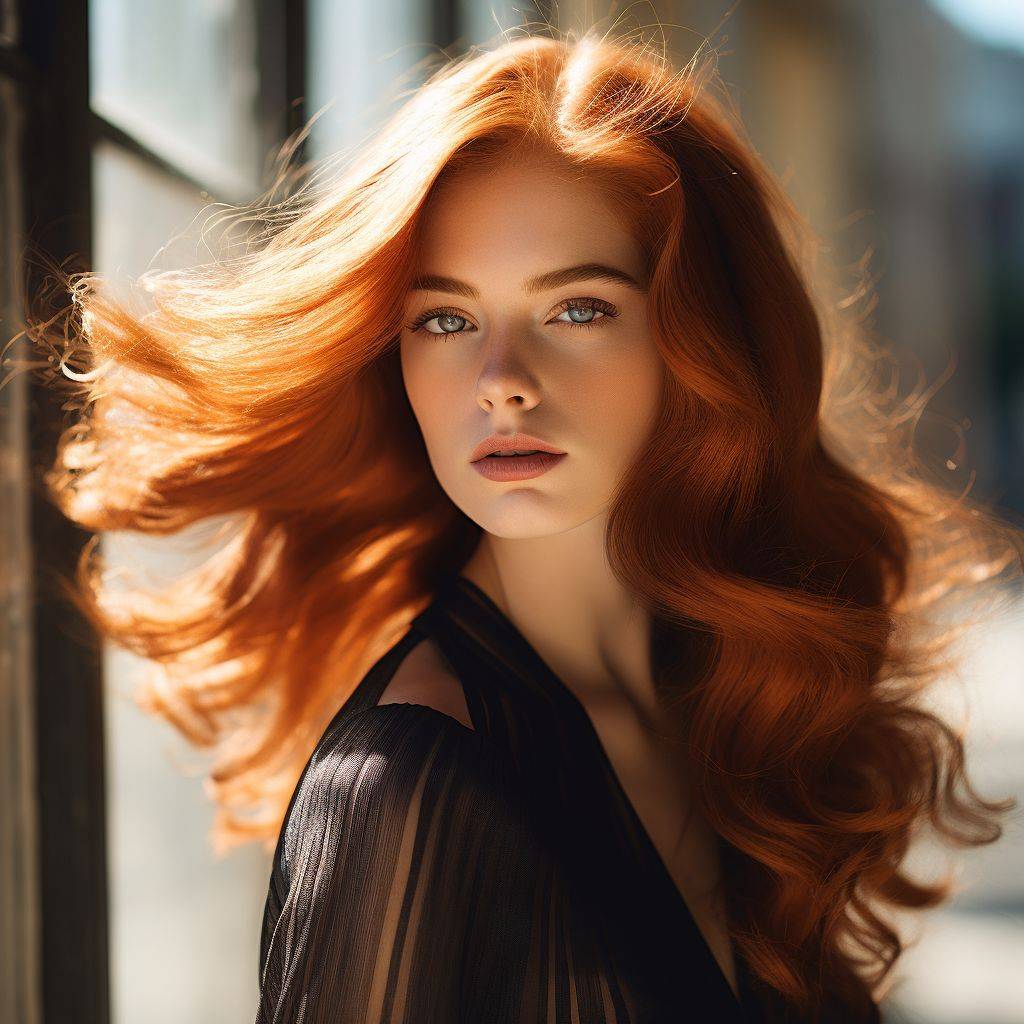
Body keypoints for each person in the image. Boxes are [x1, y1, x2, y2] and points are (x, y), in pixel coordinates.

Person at [18, 25, 1022, 1024]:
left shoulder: (723, 695)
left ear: (702, 346)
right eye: (446, 319)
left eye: (577, 309)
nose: (501, 384)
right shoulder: (404, 780)